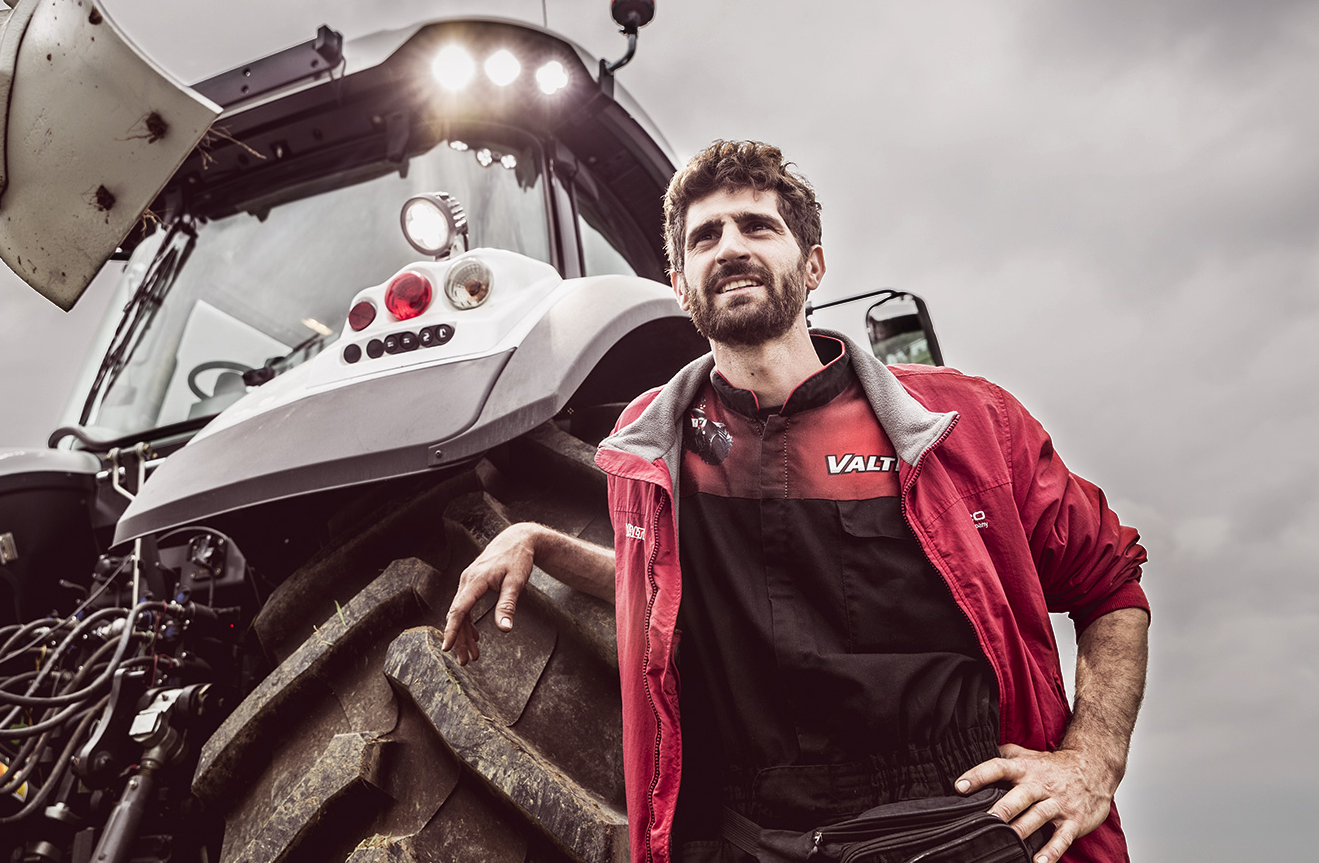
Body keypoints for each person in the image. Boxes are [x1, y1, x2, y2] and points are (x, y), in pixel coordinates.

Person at [442, 140, 1148, 863]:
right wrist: (539, 539)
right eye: (706, 237)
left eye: (758, 227)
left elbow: (1110, 589)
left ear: (813, 265)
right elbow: (667, 587)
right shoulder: (648, 446)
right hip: (761, 829)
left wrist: (1092, 761)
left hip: (956, 815)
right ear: (681, 285)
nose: (731, 248)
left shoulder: (969, 424)